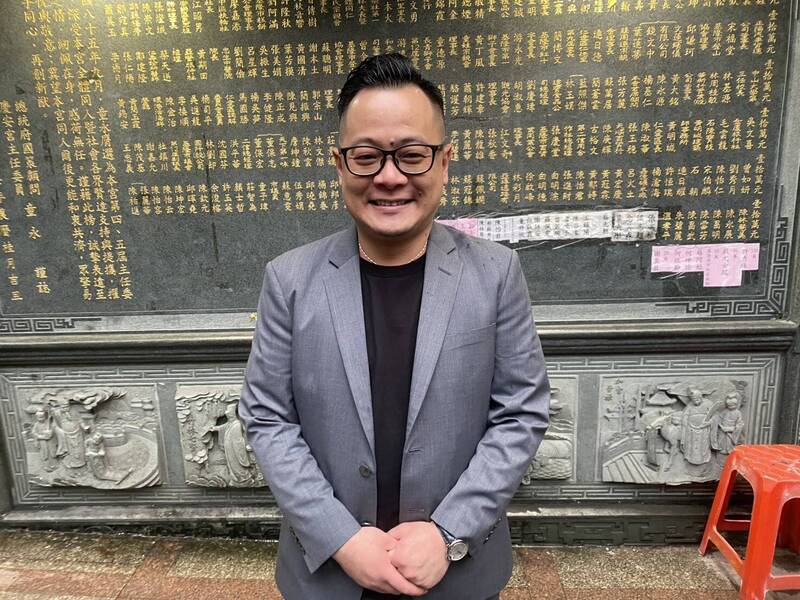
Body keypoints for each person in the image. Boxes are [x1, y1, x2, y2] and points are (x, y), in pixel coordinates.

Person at [239, 53, 550, 600]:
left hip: (456, 573)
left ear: (444, 161)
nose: (389, 177)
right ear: (339, 164)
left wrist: (448, 533)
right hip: (328, 575)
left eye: (411, 155)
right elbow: (267, 417)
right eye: (366, 157)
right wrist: (340, 537)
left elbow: (520, 412)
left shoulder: (496, 274)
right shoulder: (290, 280)